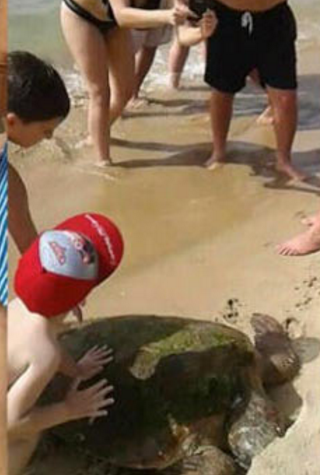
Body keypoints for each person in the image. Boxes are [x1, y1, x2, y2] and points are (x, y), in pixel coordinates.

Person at [7, 212, 124, 475]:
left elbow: (40, 344)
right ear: (77, 302)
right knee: (28, 436)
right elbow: (10, 422)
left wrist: (78, 370)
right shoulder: (44, 354)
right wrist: (69, 409)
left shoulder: (13, 308)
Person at [60, 0, 195, 166]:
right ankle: (103, 161)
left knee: (125, 91)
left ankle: (95, 134)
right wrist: (166, 15)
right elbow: (123, 16)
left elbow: (184, 30)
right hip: (81, 16)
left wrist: (200, 30)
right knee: (100, 92)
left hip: (113, 22)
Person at [199, 0, 304, 181]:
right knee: (223, 90)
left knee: (286, 95)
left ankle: (284, 160)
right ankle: (219, 151)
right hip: (227, 17)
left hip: (274, 17)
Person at [7, 51, 71, 254]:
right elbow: (32, 255)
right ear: (11, 121)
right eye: (46, 130)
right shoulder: (8, 184)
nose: (50, 137)